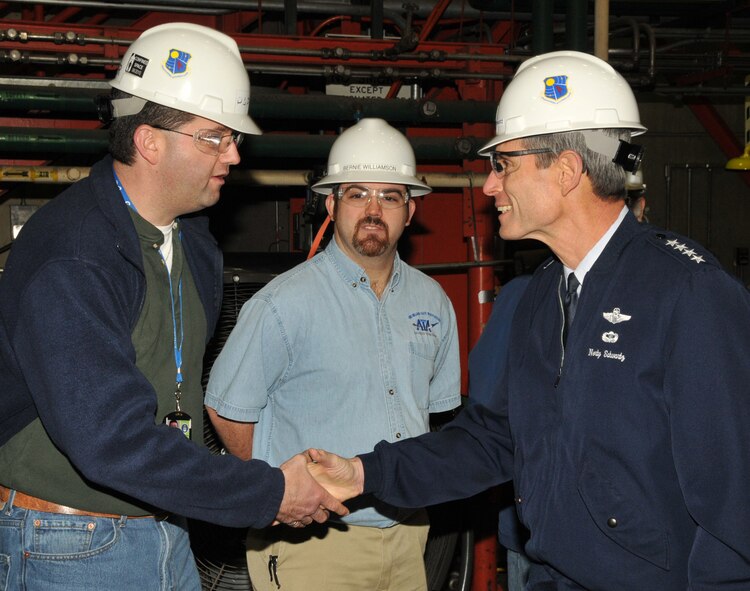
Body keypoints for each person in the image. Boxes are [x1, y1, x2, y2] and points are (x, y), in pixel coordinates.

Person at [307, 50, 750, 590]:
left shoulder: (688, 293)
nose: (490, 186)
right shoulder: (542, 295)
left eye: (505, 164)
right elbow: (494, 439)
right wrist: (365, 473)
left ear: (566, 171)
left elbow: (733, 505)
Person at [0, 23, 345, 591]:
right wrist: (268, 492)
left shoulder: (195, 245)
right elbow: (109, 439)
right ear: (148, 141)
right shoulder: (76, 256)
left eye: (233, 137)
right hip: (68, 540)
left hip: (163, 523)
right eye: (214, 137)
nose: (234, 154)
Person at [205, 118, 461, 591]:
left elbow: (437, 420)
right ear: (331, 203)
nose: (373, 209)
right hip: (315, 543)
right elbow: (226, 410)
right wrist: (280, 495)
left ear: (411, 209)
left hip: (408, 537)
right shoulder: (284, 303)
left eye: (390, 196)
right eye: (357, 193)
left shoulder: (433, 302)